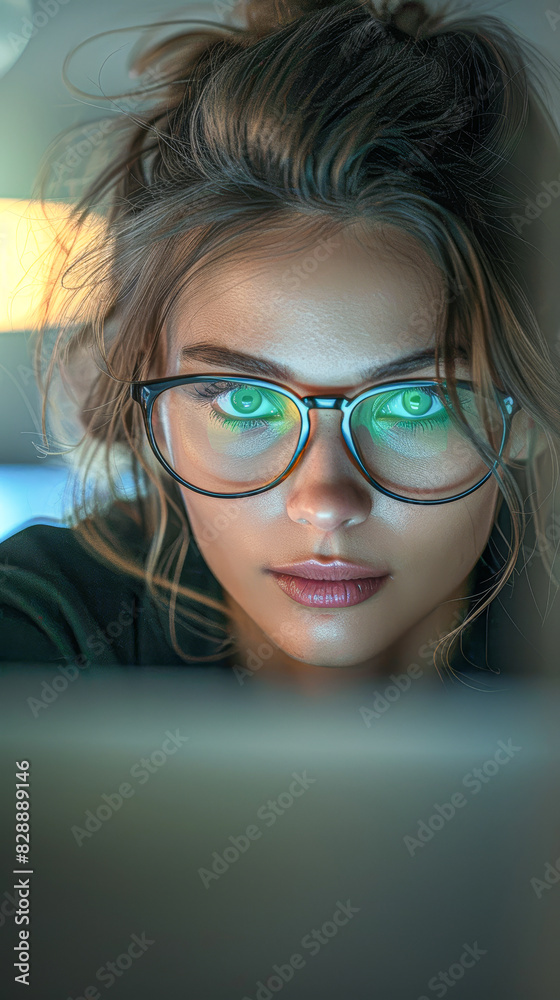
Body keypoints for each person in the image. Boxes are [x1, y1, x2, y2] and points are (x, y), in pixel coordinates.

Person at [1, 0, 559, 689]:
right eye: (242, 399)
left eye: (418, 403)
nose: (324, 503)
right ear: (155, 414)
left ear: (529, 409)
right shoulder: (40, 624)